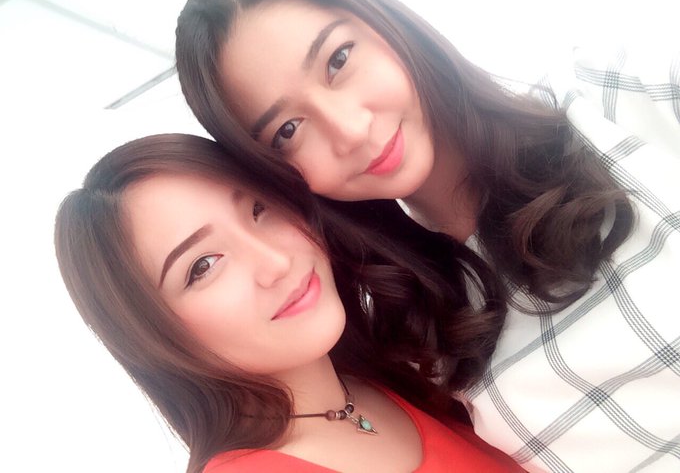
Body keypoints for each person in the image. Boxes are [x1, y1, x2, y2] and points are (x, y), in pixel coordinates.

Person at [174, 0, 680, 470]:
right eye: (288, 129)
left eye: (338, 60)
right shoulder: (408, 329)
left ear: (385, 23)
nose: (350, 130)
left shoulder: (610, 100)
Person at [55, 133, 523, 472]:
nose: (276, 261)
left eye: (259, 209)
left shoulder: (391, 369)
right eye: (203, 265)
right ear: (151, 334)